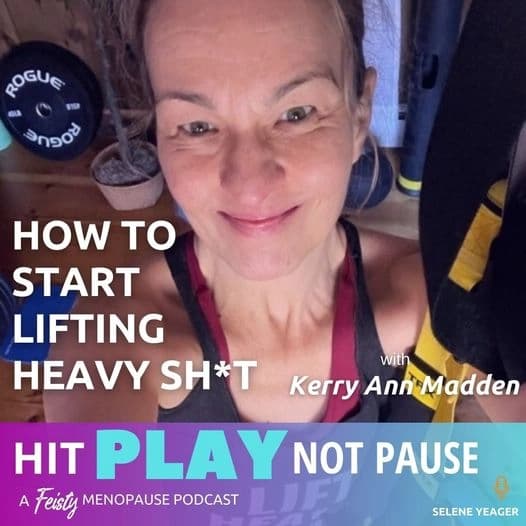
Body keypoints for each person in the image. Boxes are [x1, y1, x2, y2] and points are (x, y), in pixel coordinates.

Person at [44, 0, 523, 422]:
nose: (249, 184)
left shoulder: (435, 297)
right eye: (197, 126)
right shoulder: (114, 340)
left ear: (359, 117)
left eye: (296, 114)